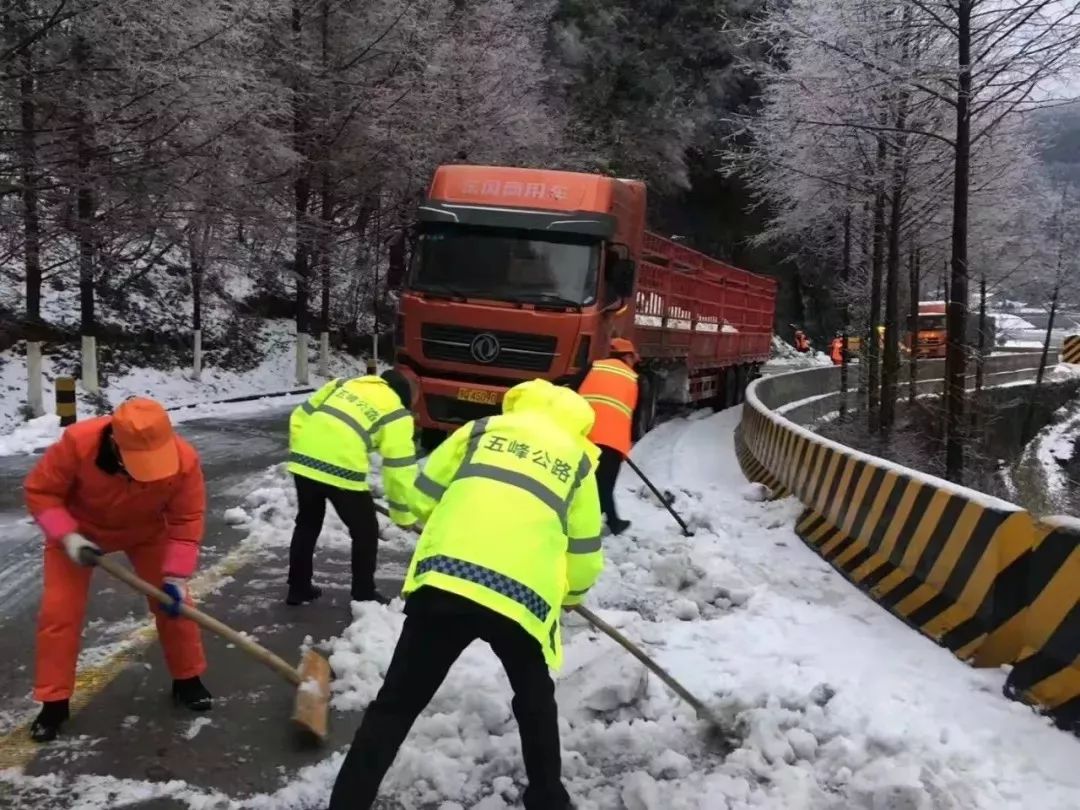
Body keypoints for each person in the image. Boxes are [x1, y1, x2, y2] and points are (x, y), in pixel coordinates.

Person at [328, 378, 604, 810]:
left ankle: (347, 803)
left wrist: (407, 514)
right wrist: (573, 594)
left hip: (446, 580)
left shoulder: (480, 431)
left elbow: (422, 495)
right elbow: (585, 550)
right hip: (520, 598)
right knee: (534, 698)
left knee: (395, 705)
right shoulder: (578, 460)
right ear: (576, 421)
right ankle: (548, 796)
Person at [24, 397, 210, 742]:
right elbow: (41, 492)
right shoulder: (78, 444)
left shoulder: (184, 461)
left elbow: (186, 519)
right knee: (59, 614)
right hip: (77, 534)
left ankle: (188, 679)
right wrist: (66, 536)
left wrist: (175, 576)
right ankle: (54, 702)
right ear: (115, 443)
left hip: (146, 533)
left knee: (176, 607)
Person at [285, 368, 418, 606]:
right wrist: (403, 514)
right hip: (342, 469)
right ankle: (363, 593)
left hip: (304, 459)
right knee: (365, 531)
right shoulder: (397, 413)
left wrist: (303, 451)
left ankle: (298, 588)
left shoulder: (342, 384)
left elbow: (299, 415)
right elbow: (399, 469)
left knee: (307, 523)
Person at [576, 337, 640, 536]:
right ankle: (598, 524)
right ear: (628, 356)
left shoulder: (593, 367)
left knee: (582, 481)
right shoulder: (633, 379)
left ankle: (608, 520)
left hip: (582, 435)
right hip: (613, 440)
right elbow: (635, 417)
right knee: (604, 485)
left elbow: (571, 391)